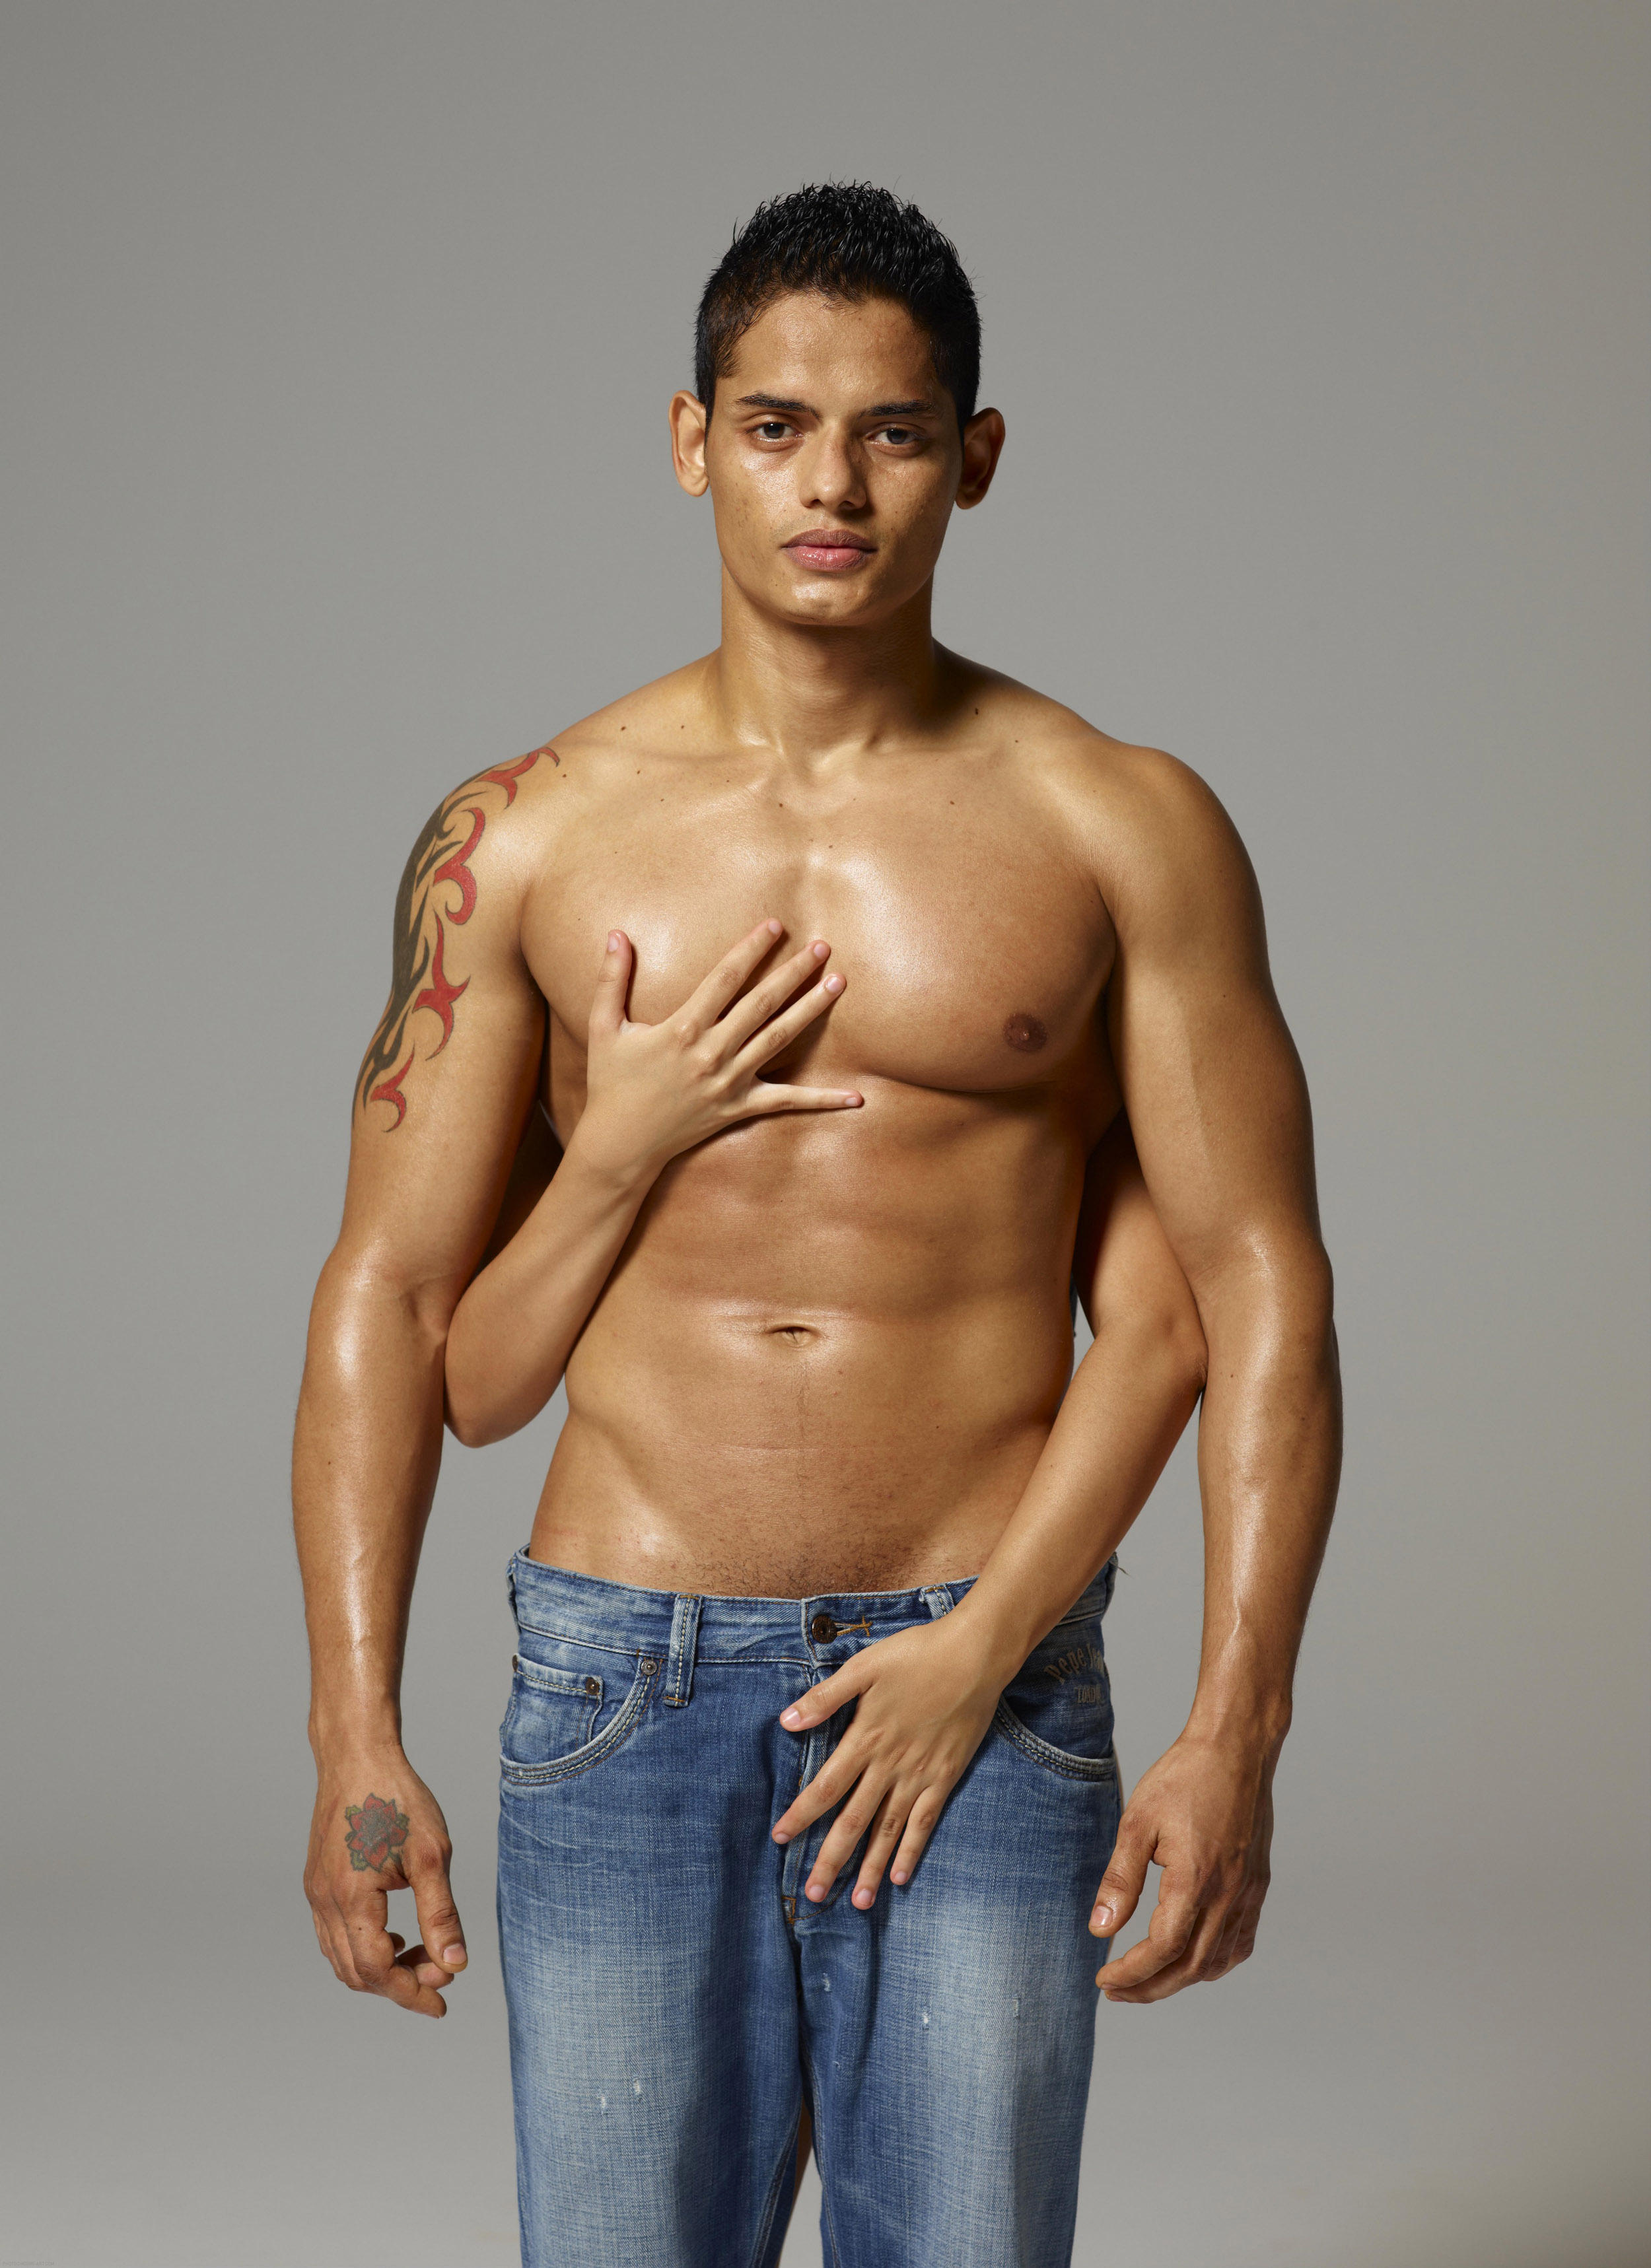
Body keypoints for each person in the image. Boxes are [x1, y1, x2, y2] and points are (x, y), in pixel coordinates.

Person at [295, 184, 1341, 2268]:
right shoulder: (528, 833)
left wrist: (1233, 1725)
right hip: (624, 1662)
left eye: (890, 432)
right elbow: (401, 1304)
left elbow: (1246, 1293)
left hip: (985, 1659)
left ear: (975, 456)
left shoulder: (1118, 822)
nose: (831, 486)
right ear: (693, 441)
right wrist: (352, 1731)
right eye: (775, 426)